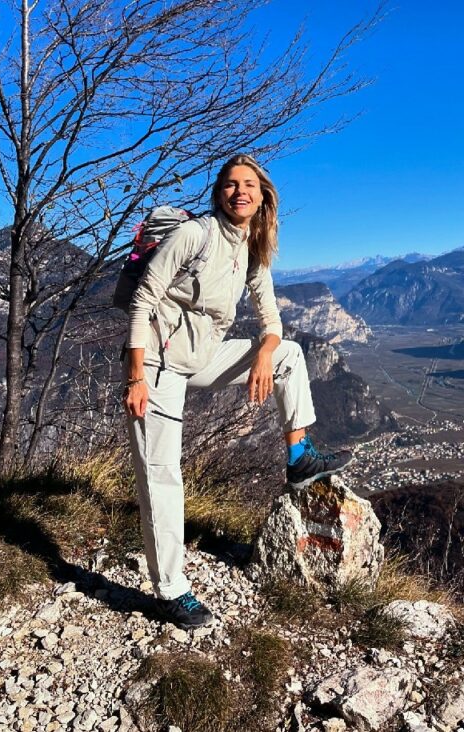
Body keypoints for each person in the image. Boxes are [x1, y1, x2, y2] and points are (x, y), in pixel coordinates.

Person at [123, 154, 353, 629]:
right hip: (158, 364)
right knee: (162, 476)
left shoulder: (250, 248)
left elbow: (272, 321)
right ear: (219, 193)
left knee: (289, 354)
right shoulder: (196, 235)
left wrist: (265, 353)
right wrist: (136, 376)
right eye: (230, 184)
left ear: (263, 195)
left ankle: (299, 457)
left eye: (249, 184)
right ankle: (170, 590)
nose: (240, 191)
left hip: (201, 356)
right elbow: (143, 299)